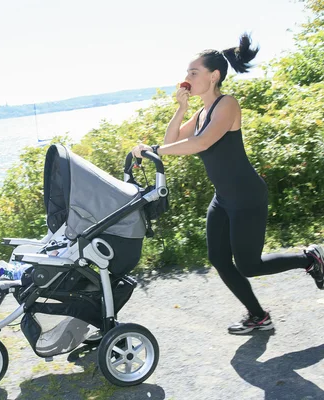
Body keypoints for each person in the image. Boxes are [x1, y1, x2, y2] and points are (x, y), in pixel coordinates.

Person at [132, 33, 324, 335]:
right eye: (187, 73)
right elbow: (172, 142)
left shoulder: (227, 105)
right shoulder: (199, 113)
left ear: (214, 76)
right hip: (223, 198)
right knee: (219, 259)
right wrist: (180, 109)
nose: (187, 78)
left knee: (249, 265)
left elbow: (200, 143)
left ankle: (309, 259)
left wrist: (152, 150)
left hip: (247, 197)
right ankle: (259, 316)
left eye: (193, 73)